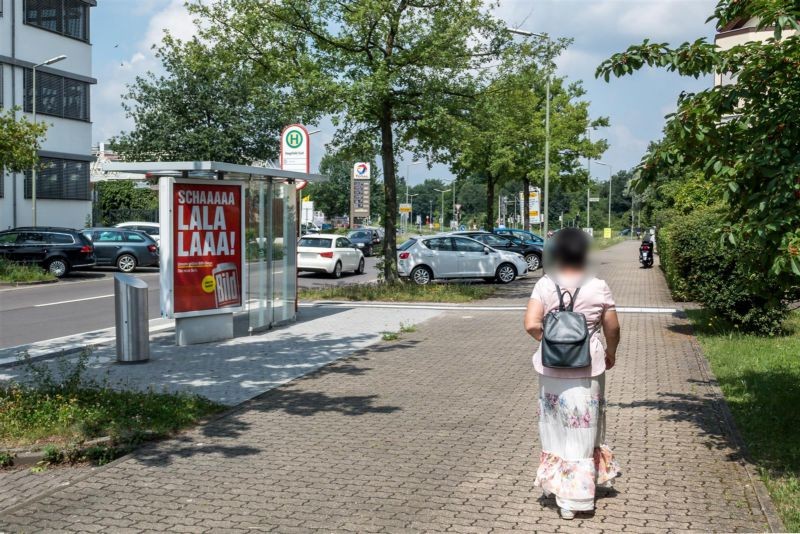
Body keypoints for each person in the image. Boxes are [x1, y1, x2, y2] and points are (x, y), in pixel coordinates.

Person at [523, 228, 621, 520]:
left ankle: (552, 488)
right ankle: (574, 501)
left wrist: (553, 344)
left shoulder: (544, 284)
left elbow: (531, 324)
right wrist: (610, 351)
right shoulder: (598, 286)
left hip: (551, 369)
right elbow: (612, 327)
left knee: (554, 425)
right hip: (587, 367)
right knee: (582, 429)